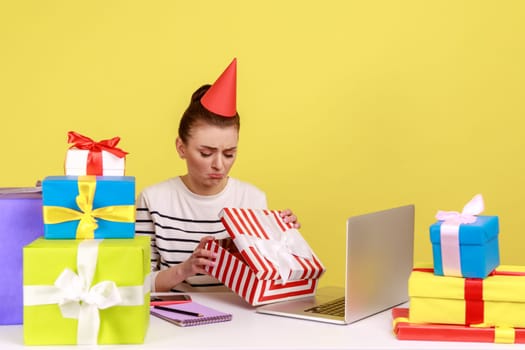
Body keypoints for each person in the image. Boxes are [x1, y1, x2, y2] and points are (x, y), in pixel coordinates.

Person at [136, 58, 300, 292]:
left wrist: (287, 241)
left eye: (229, 153)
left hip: (242, 319)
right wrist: (186, 269)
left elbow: (270, 279)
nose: (219, 165)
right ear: (181, 147)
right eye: (206, 153)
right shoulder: (153, 200)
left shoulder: (253, 200)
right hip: (177, 316)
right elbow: (137, 284)